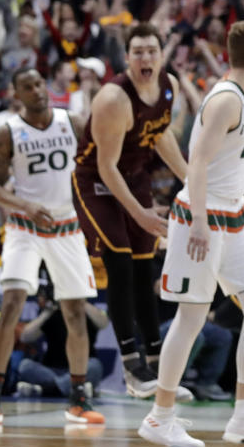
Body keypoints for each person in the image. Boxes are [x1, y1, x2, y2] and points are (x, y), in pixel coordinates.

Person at [139, 20, 244, 447]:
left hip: (235, 215)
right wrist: (201, 223)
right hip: (202, 218)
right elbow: (197, 160)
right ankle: (159, 417)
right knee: (191, 319)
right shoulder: (226, 99)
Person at [0, 68, 103, 426]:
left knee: (75, 312)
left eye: (40, 83)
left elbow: (95, 167)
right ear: (17, 95)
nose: (37, 91)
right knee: (11, 303)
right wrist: (26, 206)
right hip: (25, 226)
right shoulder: (8, 132)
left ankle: (78, 399)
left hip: (67, 227)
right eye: (28, 87)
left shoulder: (71, 121)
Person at [72, 23, 188, 398]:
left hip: (134, 176)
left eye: (152, 50)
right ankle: (130, 365)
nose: (146, 58)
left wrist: (191, 179)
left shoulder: (167, 86)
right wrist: (140, 214)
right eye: (138, 51)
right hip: (96, 181)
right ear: (127, 58)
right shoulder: (112, 98)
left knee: (143, 266)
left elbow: (160, 135)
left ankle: (157, 364)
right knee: (119, 260)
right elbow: (106, 167)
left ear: (161, 55)